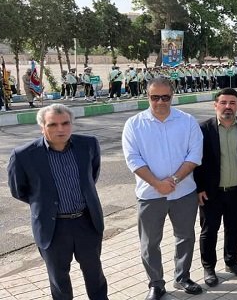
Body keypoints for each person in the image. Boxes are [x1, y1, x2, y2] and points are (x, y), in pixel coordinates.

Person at [7, 104, 108, 300]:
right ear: (42, 127)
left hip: (86, 222)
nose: (60, 129)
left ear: (72, 124)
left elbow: (91, 177)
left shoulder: (88, 145)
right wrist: (45, 204)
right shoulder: (23, 155)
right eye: (52, 125)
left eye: (65, 123)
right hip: (52, 228)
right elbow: (19, 191)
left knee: (95, 274)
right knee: (59, 280)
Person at [122, 77, 204, 300]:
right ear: (147, 96)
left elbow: (195, 155)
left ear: (172, 96)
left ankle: (182, 276)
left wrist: (174, 180)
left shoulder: (187, 121)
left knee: (185, 237)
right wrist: (157, 183)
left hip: (184, 192)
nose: (160, 102)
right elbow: (133, 159)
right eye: (155, 97)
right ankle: (156, 284)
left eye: (165, 97)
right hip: (150, 194)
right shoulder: (134, 124)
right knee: (150, 243)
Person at [194, 88, 237, 287]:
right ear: (215, 105)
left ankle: (232, 261)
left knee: (234, 229)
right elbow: (195, 161)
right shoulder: (203, 129)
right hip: (211, 193)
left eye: (232, 103)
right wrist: (199, 188)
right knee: (209, 231)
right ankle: (209, 267)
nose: (228, 107)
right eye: (223, 102)